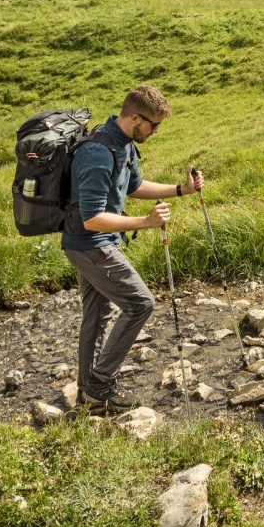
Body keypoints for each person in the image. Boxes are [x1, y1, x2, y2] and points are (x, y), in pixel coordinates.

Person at [62, 84, 204, 413]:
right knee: (141, 304)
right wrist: (145, 222)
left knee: (97, 317)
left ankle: (90, 395)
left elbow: (135, 186)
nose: (156, 131)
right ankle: (100, 385)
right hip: (90, 244)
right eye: (153, 125)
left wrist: (181, 189)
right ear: (135, 118)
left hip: (97, 243)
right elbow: (93, 218)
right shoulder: (98, 152)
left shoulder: (122, 143)